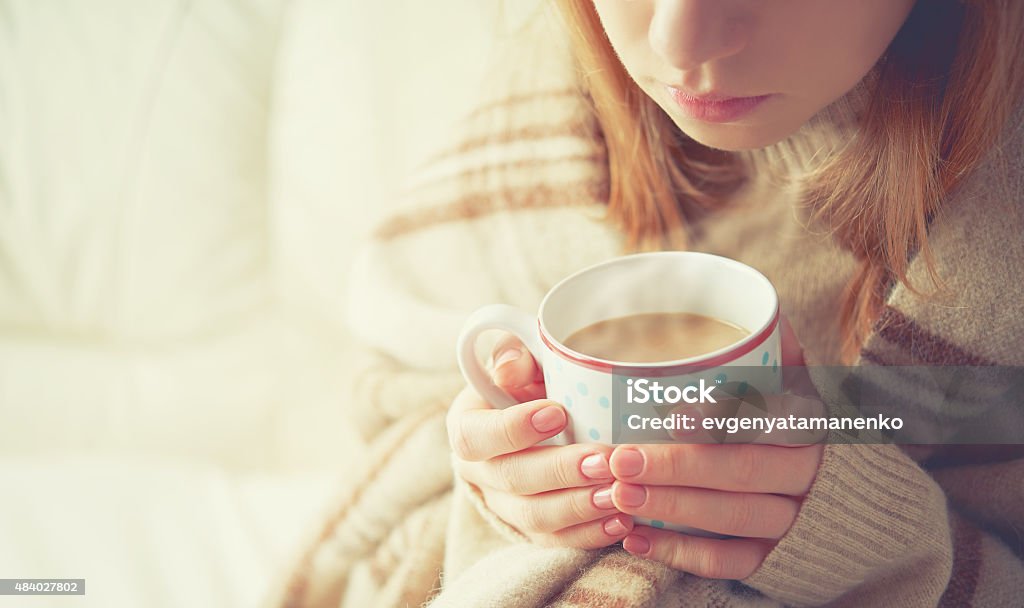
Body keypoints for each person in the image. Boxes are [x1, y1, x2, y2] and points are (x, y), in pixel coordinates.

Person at [265, 1, 1024, 606]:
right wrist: (502, 486)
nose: (680, 38)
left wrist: (872, 540)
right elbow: (398, 409)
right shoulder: (561, 77)